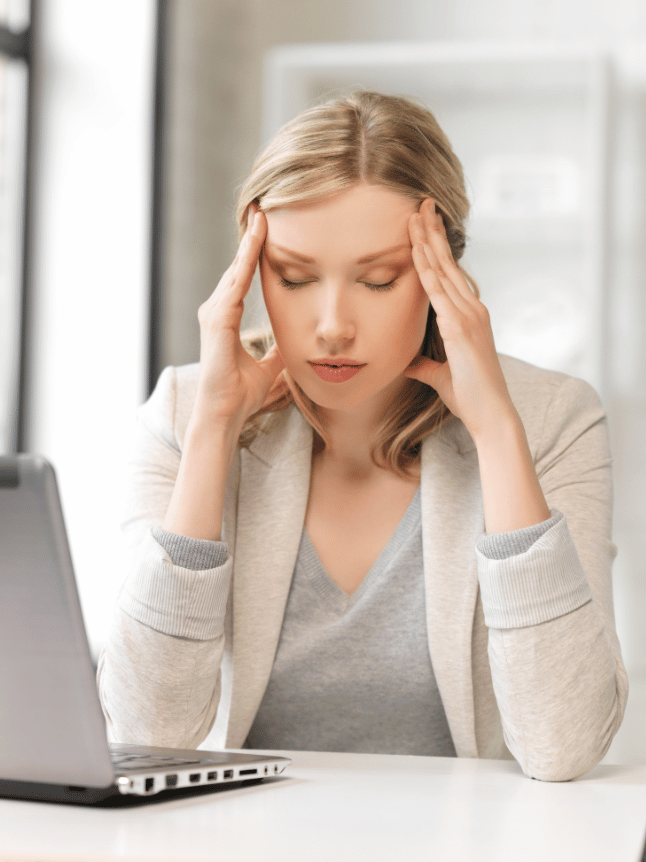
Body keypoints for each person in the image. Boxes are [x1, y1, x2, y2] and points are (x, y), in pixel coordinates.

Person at [98, 91, 627, 781]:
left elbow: (565, 747)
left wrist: (498, 431)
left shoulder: (553, 418)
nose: (331, 325)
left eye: (378, 281)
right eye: (294, 277)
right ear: (253, 271)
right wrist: (212, 437)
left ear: (446, 274)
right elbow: (147, 731)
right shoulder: (184, 412)